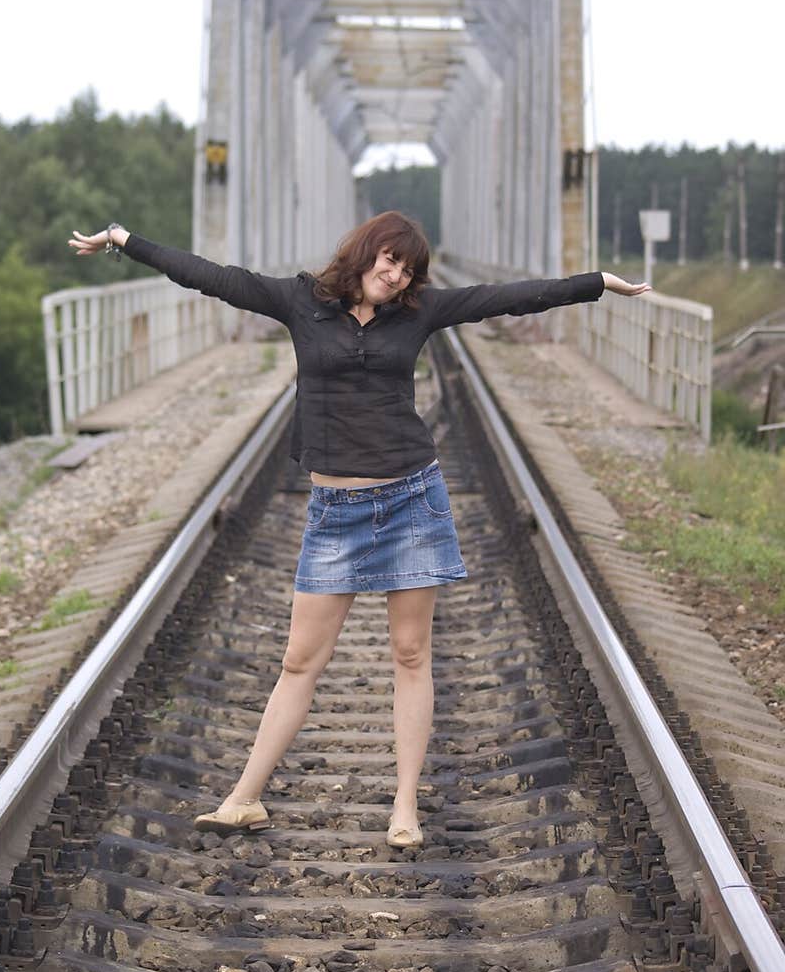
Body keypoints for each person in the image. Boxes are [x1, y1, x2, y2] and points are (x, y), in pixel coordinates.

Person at [68, 213, 649, 847]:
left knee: (410, 654)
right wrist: (128, 241)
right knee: (299, 661)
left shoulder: (418, 313)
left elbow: (505, 299)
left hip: (411, 497)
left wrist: (595, 282)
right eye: (388, 260)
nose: (394, 274)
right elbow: (212, 278)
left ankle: (405, 808)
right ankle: (244, 798)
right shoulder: (301, 301)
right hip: (335, 512)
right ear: (365, 253)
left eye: (405, 269)